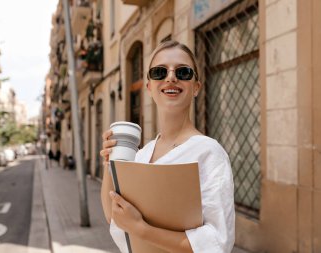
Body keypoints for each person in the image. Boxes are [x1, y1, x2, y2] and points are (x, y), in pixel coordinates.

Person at [100, 40, 235, 253]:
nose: (170, 77)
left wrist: (141, 229)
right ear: (149, 88)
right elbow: (114, 217)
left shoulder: (209, 152)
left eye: (183, 72)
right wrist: (110, 164)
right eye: (159, 72)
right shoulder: (141, 155)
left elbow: (217, 242)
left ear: (196, 87)